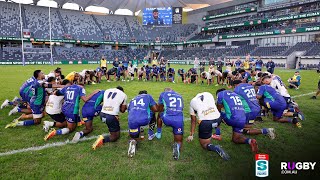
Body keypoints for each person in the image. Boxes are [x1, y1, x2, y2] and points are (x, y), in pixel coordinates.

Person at [187, 92, 229, 160]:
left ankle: (215, 148)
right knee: (211, 123)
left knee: (204, 144)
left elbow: (193, 120)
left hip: (206, 122)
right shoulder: (209, 94)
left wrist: (191, 134)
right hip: (218, 119)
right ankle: (217, 134)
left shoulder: (192, 101)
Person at [216, 89, 258, 153]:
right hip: (242, 119)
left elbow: (218, 109)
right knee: (235, 139)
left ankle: (217, 134)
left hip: (232, 119)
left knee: (216, 114)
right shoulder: (236, 95)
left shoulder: (221, 94)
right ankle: (250, 141)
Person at [127, 90, 158, 157]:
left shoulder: (133, 99)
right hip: (144, 120)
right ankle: (150, 134)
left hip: (131, 120)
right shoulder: (148, 96)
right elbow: (155, 109)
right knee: (152, 112)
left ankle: (133, 140)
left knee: (134, 135)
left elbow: (129, 111)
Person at [156, 88, 184, 160]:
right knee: (179, 140)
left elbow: (160, 108)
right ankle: (177, 147)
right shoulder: (179, 95)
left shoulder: (163, 94)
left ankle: (158, 133)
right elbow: (182, 108)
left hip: (167, 119)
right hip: (179, 120)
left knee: (159, 114)